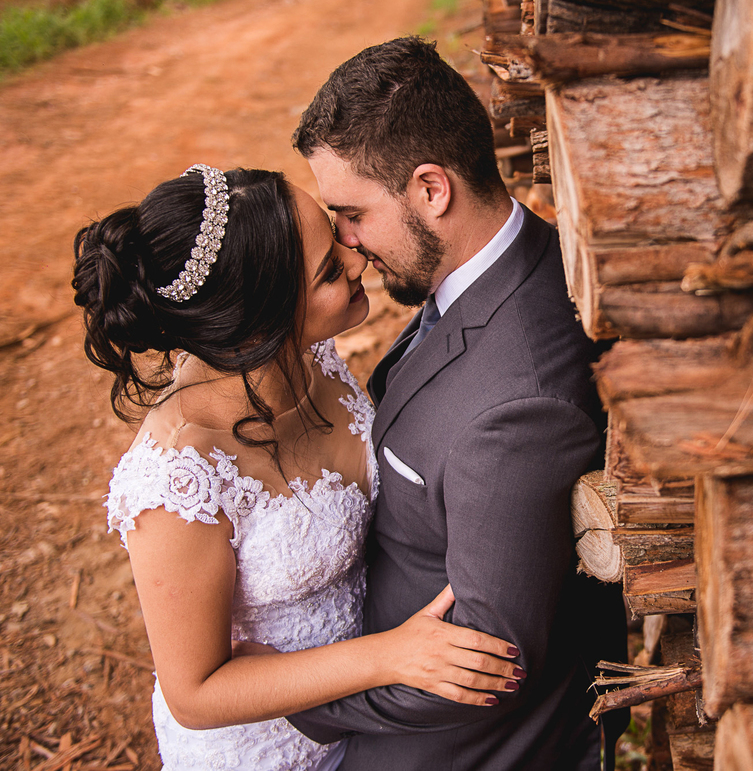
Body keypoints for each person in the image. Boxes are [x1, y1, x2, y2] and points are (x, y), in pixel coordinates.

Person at [72, 165, 523, 771]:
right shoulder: (178, 480)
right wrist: (390, 657)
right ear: (257, 325)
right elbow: (195, 694)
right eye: (331, 272)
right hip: (268, 748)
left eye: (336, 236)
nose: (357, 256)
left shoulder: (315, 358)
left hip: (372, 715)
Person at [285, 37, 629, 770]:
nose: (346, 245)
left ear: (432, 190)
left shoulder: (516, 400)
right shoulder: (506, 260)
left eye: (352, 214)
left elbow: (489, 661)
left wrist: (294, 694)